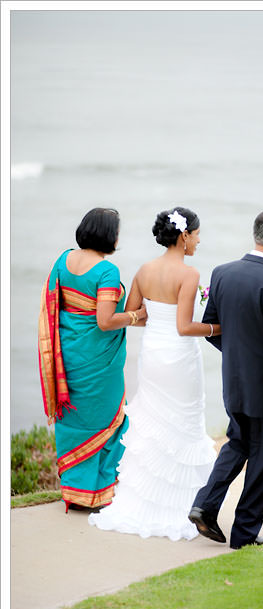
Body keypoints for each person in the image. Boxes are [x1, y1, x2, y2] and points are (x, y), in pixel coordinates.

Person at [89, 207, 220, 540]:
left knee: (154, 422)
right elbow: (185, 326)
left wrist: (155, 316)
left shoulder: (144, 270)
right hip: (179, 359)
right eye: (197, 233)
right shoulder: (189, 275)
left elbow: (133, 314)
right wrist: (218, 327)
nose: (199, 240)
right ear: (184, 235)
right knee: (185, 424)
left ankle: (144, 502)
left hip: (152, 357)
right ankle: (181, 507)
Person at [188, 210, 263, 550]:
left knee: (237, 443)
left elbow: (211, 327)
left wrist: (238, 355)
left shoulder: (222, 274)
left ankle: (204, 504)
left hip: (234, 383)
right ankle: (244, 536)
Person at [38, 207, 146, 512]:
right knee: (108, 420)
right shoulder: (106, 271)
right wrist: (137, 315)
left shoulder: (64, 259)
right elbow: (105, 321)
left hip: (68, 358)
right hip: (97, 364)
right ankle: (99, 494)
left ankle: (75, 493)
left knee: (74, 419)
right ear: (109, 235)